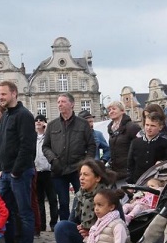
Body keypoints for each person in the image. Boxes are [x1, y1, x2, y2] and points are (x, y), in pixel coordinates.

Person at [51, 159, 115, 243]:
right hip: (87, 240)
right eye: (80, 174)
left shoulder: (108, 197)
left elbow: (119, 227)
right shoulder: (81, 195)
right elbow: (71, 221)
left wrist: (92, 232)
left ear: (97, 178)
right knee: (61, 226)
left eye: (86, 175)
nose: (81, 178)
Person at [0, 80, 37, 243]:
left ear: (14, 94)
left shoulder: (24, 116)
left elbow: (27, 147)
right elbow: (4, 145)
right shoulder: (5, 116)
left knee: (24, 213)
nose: (0, 98)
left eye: (3, 94)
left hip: (19, 173)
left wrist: (15, 171)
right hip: (5, 173)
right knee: (6, 212)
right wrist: (1, 168)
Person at [43, 92, 96, 222]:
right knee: (63, 202)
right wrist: (53, 160)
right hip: (59, 169)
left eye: (63, 101)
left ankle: (81, 225)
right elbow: (45, 146)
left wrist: (87, 164)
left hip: (78, 169)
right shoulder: (52, 125)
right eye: (58, 102)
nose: (60, 104)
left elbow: (91, 146)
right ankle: (65, 228)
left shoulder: (83, 124)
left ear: (71, 104)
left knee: (82, 199)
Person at [126, 111, 167, 185]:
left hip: (155, 181)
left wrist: (161, 162)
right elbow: (130, 164)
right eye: (147, 125)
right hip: (138, 180)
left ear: (160, 127)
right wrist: (130, 182)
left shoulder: (165, 143)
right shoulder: (135, 142)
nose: (149, 128)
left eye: (153, 126)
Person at [105, 101, 141, 186]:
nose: (111, 111)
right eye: (109, 110)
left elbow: (140, 148)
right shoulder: (111, 129)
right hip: (116, 171)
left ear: (122, 111)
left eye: (114, 109)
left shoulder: (132, 127)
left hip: (128, 171)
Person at [34, 114, 58, 232]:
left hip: (49, 171)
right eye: (37, 120)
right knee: (39, 200)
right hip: (37, 172)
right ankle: (41, 224)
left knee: (52, 199)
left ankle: (53, 223)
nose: (38, 122)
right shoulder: (33, 137)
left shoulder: (49, 136)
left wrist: (47, 128)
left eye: (41, 120)